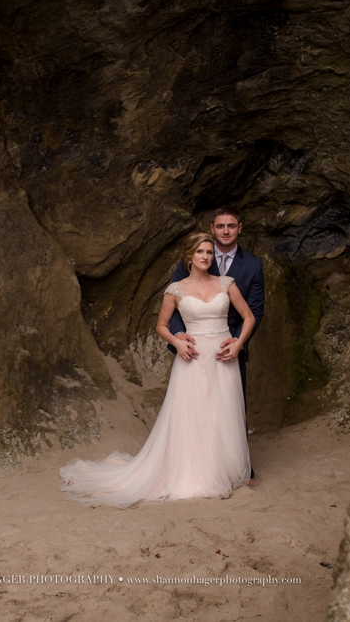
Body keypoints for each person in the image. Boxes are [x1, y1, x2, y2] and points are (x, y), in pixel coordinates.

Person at [59, 232, 255, 507]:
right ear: (189, 256)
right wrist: (177, 341)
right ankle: (197, 475)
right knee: (196, 415)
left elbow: (248, 317)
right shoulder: (175, 290)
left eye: (209, 252)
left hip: (223, 357)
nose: (205, 257)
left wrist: (238, 343)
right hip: (193, 357)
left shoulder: (226, 283)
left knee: (222, 413)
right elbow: (161, 326)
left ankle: (223, 471)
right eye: (200, 252)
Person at [169, 207, 265, 478]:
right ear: (212, 228)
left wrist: (238, 343)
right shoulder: (195, 255)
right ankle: (195, 468)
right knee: (195, 408)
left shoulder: (253, 265)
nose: (225, 231)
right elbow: (175, 300)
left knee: (231, 407)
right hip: (195, 347)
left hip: (230, 346)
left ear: (239, 229)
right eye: (220, 226)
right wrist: (178, 336)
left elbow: (254, 311)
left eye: (231, 226)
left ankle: (237, 469)